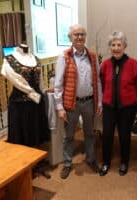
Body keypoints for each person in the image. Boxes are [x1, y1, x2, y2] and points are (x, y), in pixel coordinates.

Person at [54, 24, 102, 179]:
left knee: (89, 133)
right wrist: (59, 107)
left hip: (89, 102)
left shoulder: (93, 56)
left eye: (82, 34)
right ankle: (67, 163)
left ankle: (90, 158)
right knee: (69, 135)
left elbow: (98, 82)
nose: (80, 37)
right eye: (76, 34)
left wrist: (99, 102)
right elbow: (58, 84)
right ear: (70, 37)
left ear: (85, 36)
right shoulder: (64, 56)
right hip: (71, 104)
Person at [99, 31, 137, 176]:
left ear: (124, 46)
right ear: (110, 47)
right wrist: (104, 101)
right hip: (109, 107)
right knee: (107, 136)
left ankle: (124, 162)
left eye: (119, 45)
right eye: (113, 45)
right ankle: (106, 163)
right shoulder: (105, 65)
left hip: (127, 108)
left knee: (125, 136)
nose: (116, 48)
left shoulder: (133, 64)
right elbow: (102, 85)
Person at [1, 43, 50, 147]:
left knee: (36, 129)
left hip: (37, 101)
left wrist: (42, 93)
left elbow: (40, 80)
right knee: (23, 131)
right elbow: (17, 81)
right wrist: (32, 93)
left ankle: (37, 154)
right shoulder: (9, 59)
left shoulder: (36, 58)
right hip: (20, 102)